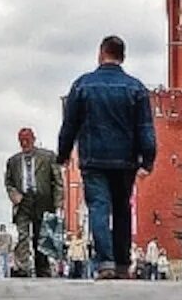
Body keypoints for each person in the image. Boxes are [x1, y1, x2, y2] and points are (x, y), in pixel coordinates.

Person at [58, 35, 157, 280]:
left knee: (99, 208)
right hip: (126, 160)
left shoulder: (82, 85)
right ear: (122, 57)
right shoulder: (136, 88)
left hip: (93, 159)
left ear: (101, 53)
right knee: (122, 209)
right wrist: (148, 160)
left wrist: (63, 154)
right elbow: (145, 127)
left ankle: (106, 262)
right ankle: (123, 264)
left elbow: (69, 125)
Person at [5, 127, 64, 277]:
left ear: (33, 139)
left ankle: (42, 267)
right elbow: (9, 182)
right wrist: (14, 195)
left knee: (42, 234)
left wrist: (59, 202)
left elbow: (58, 180)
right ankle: (22, 267)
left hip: (43, 200)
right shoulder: (13, 161)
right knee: (23, 234)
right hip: (23, 201)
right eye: (22, 141)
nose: (25, 143)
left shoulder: (48, 157)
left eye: (27, 140)